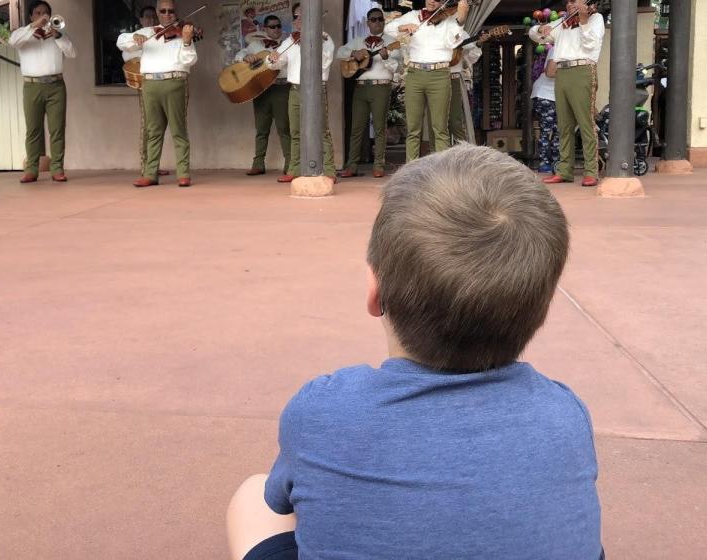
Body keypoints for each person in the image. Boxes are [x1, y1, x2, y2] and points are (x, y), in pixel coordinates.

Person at [226, 144, 602, 560]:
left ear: (375, 291)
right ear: (541, 307)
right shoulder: (564, 413)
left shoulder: (323, 409)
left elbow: (281, 502)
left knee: (252, 497)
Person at [530, 0, 605, 187]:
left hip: (583, 70)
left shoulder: (595, 18)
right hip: (562, 71)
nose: (570, 5)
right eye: (568, 2)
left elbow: (590, 43)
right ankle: (565, 170)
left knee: (585, 122)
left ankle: (591, 170)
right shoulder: (563, 22)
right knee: (564, 125)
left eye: (574, 1)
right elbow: (536, 36)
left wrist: (583, 20)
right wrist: (540, 28)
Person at [384, 0, 468, 161]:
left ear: (443, 1)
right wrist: (404, 27)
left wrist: (461, 17)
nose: (432, 0)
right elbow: (387, 29)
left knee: (440, 128)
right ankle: (410, 171)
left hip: (439, 74)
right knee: (413, 129)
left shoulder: (449, 20)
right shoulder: (414, 16)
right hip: (415, 73)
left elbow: (453, 43)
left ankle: (441, 173)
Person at [120, 0, 197, 187]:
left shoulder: (182, 33)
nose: (167, 14)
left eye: (171, 11)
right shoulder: (147, 32)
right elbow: (121, 42)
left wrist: (187, 41)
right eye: (163, 11)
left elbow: (190, 60)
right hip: (150, 85)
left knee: (178, 130)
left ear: (175, 13)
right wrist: (134, 37)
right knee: (153, 131)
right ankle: (150, 174)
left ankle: (183, 173)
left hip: (174, 82)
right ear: (157, 13)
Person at [8, 0, 76, 183]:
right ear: (31, 16)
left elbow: (71, 53)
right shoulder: (23, 35)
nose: (42, 16)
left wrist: (59, 36)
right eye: (38, 13)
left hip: (56, 85)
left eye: (45, 12)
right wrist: (32, 27)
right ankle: (32, 169)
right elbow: (13, 41)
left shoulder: (57, 34)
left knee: (57, 129)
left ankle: (57, 169)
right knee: (33, 130)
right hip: (32, 86)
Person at [268, 3, 336, 182]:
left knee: (322, 131)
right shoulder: (290, 40)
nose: (299, 20)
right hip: (296, 90)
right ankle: (294, 168)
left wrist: (311, 40)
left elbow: (324, 63)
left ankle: (329, 171)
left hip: (316, 89)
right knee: (295, 131)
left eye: (302, 16)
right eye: (296, 16)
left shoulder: (325, 38)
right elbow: (275, 63)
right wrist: (272, 57)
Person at [336, 8, 400, 179]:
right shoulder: (358, 41)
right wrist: (353, 53)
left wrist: (386, 58)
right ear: (368, 22)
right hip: (360, 87)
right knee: (357, 128)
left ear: (384, 22)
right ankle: (352, 166)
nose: (377, 22)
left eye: (380, 19)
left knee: (380, 127)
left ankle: (379, 165)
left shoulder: (392, 42)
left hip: (381, 86)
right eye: (373, 19)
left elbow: (397, 66)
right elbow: (339, 52)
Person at [117, 6, 171, 177]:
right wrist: (135, 39)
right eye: (147, 17)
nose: (151, 20)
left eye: (153, 16)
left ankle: (153, 164)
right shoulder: (138, 36)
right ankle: (145, 165)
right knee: (148, 125)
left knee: (160, 126)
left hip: (164, 83)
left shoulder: (162, 34)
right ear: (140, 20)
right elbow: (126, 52)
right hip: (146, 84)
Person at [236, 15, 292, 176]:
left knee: (284, 128)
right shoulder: (256, 45)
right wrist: (246, 58)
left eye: (278, 26)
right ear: (265, 28)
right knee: (261, 129)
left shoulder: (288, 43)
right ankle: (258, 163)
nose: (276, 29)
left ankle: (290, 164)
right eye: (272, 27)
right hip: (261, 90)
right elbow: (239, 55)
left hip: (282, 88)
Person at [447, 35, 486, 144]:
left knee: (456, 120)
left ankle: (462, 151)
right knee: (437, 123)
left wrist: (478, 44)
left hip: (453, 77)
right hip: (432, 77)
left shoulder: (460, 33)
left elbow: (470, 59)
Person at [531, 46, 560, 173]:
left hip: (557, 95)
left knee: (559, 130)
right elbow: (550, 72)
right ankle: (544, 162)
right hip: (545, 94)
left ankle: (555, 162)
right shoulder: (557, 48)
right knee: (546, 130)